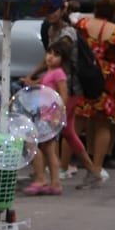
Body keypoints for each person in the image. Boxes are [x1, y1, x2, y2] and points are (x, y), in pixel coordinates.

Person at [74, 0, 115, 184]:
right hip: (107, 80)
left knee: (76, 123)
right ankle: (97, 167)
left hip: (84, 76)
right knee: (103, 123)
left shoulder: (82, 25)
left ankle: (63, 165)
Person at [31, 0, 92, 177]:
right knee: (67, 132)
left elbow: (57, 54)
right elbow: (49, 58)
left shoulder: (68, 33)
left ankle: (52, 174)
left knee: (50, 133)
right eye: (47, 10)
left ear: (63, 9)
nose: (51, 13)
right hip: (57, 89)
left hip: (69, 89)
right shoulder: (51, 29)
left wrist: (36, 77)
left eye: (54, 10)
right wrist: (33, 75)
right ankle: (90, 170)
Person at [23, 40, 72, 196]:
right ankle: (55, 183)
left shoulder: (58, 73)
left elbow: (64, 94)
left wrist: (58, 112)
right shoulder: (49, 73)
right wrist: (31, 83)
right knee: (49, 150)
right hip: (45, 116)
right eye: (49, 53)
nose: (51, 57)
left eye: (56, 55)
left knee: (32, 144)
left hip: (49, 117)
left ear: (63, 60)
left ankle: (40, 179)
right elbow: (42, 86)